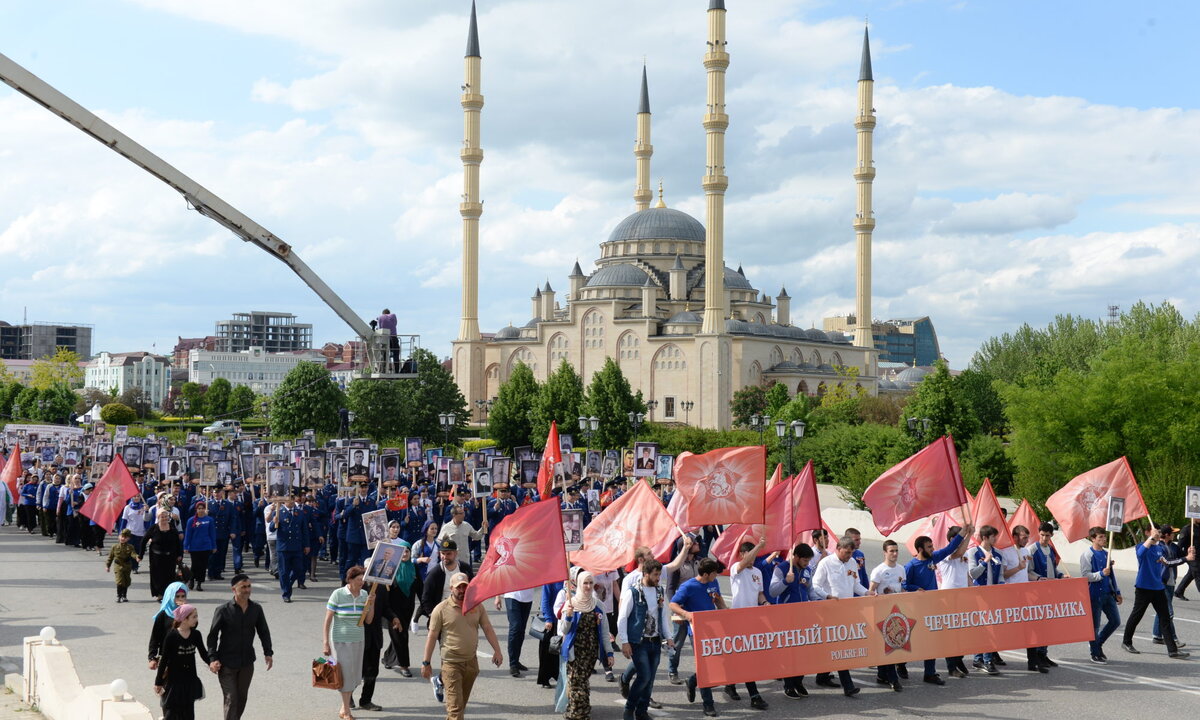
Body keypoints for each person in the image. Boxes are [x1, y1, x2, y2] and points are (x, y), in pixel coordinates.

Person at [422, 572, 503, 720]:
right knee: (455, 711)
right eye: (458, 587)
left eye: (464, 587)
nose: (462, 590)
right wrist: (426, 662)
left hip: (471, 664)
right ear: (451, 588)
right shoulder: (441, 609)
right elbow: (432, 636)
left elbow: (487, 628)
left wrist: (497, 651)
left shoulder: (477, 606)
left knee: (459, 708)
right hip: (451, 665)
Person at [903, 523, 971, 683]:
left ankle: (930, 673)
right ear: (920, 549)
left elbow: (950, 548)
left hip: (932, 607)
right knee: (910, 639)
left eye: (932, 546)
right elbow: (904, 585)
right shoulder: (910, 566)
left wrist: (964, 532)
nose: (932, 549)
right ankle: (900, 664)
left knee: (932, 640)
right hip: (916, 609)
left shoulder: (933, 558)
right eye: (929, 546)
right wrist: (916, 588)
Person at [206, 574, 274, 720]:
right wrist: (212, 659)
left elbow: (264, 632)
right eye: (243, 587)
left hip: (246, 662)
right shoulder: (223, 610)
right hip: (226, 663)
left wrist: (268, 652)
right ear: (233, 589)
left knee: (242, 698)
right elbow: (212, 636)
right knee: (232, 698)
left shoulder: (256, 609)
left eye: (249, 586)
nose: (247, 590)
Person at [1122, 525, 1192, 658]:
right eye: (1156, 532)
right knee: (1136, 616)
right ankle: (1126, 642)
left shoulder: (1159, 548)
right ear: (1148, 532)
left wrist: (1186, 558)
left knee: (1165, 618)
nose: (1158, 534)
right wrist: (1151, 538)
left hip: (1158, 588)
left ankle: (1173, 650)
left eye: (1159, 532)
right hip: (1143, 588)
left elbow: (1167, 562)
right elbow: (1140, 553)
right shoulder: (1141, 546)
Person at [811, 537, 867, 696]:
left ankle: (822, 676)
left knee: (833, 646)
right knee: (839, 647)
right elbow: (816, 585)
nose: (849, 556)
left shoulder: (852, 564)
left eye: (851, 553)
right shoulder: (826, 563)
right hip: (829, 612)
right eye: (847, 553)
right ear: (838, 548)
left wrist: (867, 592)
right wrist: (827, 596)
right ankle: (848, 686)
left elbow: (856, 585)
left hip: (847, 611)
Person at [618, 560, 670, 720]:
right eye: (655, 574)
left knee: (650, 679)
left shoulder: (660, 591)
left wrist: (668, 637)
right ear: (645, 574)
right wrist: (625, 641)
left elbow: (663, 616)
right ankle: (629, 709)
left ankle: (642, 712)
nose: (658, 577)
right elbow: (622, 618)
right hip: (638, 641)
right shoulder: (632, 592)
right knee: (644, 676)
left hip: (655, 640)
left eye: (659, 574)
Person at [558, 571, 614, 720]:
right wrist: (569, 616)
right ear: (579, 584)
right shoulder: (571, 604)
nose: (588, 586)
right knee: (578, 684)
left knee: (581, 682)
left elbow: (604, 631)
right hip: (574, 652)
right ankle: (579, 715)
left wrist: (609, 653)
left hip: (590, 653)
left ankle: (575, 710)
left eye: (590, 583)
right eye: (585, 583)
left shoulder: (598, 605)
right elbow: (563, 630)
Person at [323, 565, 376, 720]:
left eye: (363, 580)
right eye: (359, 580)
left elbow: (369, 620)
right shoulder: (338, 594)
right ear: (350, 579)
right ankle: (346, 711)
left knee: (354, 675)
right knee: (344, 674)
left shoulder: (365, 594)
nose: (361, 583)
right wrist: (325, 642)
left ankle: (343, 706)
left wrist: (371, 604)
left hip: (358, 640)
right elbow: (327, 620)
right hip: (340, 641)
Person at [727, 538, 770, 709]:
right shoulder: (736, 569)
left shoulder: (757, 572)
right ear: (743, 554)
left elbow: (759, 593)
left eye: (755, 554)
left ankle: (729, 684)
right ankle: (754, 695)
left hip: (752, 618)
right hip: (737, 618)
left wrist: (765, 602)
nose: (753, 558)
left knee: (741, 657)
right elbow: (744, 563)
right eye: (750, 554)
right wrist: (759, 546)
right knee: (744, 657)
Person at [770, 543, 816, 698]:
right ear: (796, 557)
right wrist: (786, 582)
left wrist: (822, 599)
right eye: (805, 560)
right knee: (789, 651)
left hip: (803, 615)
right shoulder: (782, 568)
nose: (807, 563)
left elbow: (810, 591)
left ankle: (798, 681)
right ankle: (788, 685)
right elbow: (772, 591)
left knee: (803, 651)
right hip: (786, 616)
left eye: (809, 561)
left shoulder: (808, 570)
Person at [154, 604, 214, 720]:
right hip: (174, 681)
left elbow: (203, 653)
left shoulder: (196, 635)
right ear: (184, 618)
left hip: (190, 680)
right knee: (171, 712)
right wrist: (158, 682)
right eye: (194, 617)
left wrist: (212, 663)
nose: (197, 619)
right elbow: (164, 660)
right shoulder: (171, 636)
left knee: (188, 713)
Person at [1080, 526, 1122, 663]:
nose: (1104, 539)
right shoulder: (1087, 555)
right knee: (1094, 625)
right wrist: (1100, 574)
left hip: (1108, 593)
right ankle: (1095, 652)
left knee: (1115, 621)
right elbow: (1085, 576)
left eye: (1104, 537)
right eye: (1100, 537)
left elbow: (1111, 575)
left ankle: (1098, 643)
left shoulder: (1106, 553)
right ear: (1093, 539)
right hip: (1094, 595)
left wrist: (1117, 591)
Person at [869, 539, 907, 691]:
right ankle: (893, 678)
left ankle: (882, 674)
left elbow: (902, 588)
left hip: (897, 612)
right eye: (891, 551)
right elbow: (871, 592)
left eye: (896, 550)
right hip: (883, 613)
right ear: (885, 552)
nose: (895, 553)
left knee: (894, 644)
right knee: (888, 644)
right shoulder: (878, 570)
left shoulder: (901, 569)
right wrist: (882, 593)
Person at [968, 525, 1006, 674]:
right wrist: (984, 562)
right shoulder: (973, 552)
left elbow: (1001, 574)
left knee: (991, 627)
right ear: (985, 538)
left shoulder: (998, 554)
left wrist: (1002, 585)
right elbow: (973, 574)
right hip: (979, 595)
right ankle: (985, 660)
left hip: (993, 594)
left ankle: (981, 658)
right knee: (984, 628)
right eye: (993, 537)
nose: (995, 539)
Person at [382, 539, 421, 677]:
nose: (405, 553)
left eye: (407, 551)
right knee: (401, 636)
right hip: (392, 609)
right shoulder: (390, 568)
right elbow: (383, 589)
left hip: (408, 608)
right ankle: (404, 665)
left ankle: (388, 658)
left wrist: (425, 606)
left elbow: (420, 587)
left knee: (400, 634)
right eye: (402, 551)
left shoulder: (413, 568)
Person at [420, 539, 474, 621]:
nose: (445, 557)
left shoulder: (465, 569)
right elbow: (426, 598)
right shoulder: (434, 574)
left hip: (463, 613)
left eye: (449, 554)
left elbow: (474, 589)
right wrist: (432, 615)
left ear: (455, 553)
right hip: (442, 615)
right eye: (443, 553)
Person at [1152, 526, 1187, 647]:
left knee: (1162, 610)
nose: (1173, 535)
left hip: (1171, 582)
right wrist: (1185, 558)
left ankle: (1157, 635)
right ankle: (1174, 639)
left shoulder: (1173, 546)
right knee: (1168, 612)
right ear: (1166, 534)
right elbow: (1168, 563)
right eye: (1172, 533)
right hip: (1162, 582)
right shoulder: (1158, 547)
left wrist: (1190, 551)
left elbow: (1182, 557)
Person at [272, 495, 310, 603]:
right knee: (284, 571)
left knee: (298, 569)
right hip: (283, 547)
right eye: (289, 499)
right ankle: (286, 593)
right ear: (284, 501)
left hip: (296, 546)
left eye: (293, 499)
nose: (292, 501)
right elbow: (272, 529)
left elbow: (304, 530)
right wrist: (274, 521)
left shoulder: (300, 512)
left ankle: (287, 584)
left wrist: (307, 545)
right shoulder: (279, 512)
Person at [149, 582, 190, 669]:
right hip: (166, 656)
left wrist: (184, 613)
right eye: (177, 596)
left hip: (184, 656)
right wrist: (152, 657)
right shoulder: (163, 615)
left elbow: (193, 629)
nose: (180, 599)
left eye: (183, 596)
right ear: (170, 596)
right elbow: (155, 637)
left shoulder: (188, 613)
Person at [145, 510, 183, 600]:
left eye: (166, 517)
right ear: (158, 518)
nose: (164, 518)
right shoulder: (154, 528)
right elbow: (144, 540)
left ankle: (169, 594)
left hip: (170, 557)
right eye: (162, 517)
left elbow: (177, 542)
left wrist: (179, 554)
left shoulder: (172, 528)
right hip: (156, 557)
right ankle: (160, 594)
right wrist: (140, 555)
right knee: (158, 576)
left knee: (169, 576)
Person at [182, 501, 216, 592]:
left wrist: (214, 546)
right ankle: (192, 580)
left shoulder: (209, 520)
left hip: (206, 546)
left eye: (202, 508)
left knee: (203, 566)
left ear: (205, 509)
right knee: (195, 565)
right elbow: (188, 534)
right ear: (196, 510)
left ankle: (199, 582)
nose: (201, 510)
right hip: (195, 547)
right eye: (199, 509)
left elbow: (212, 534)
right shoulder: (191, 520)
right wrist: (186, 546)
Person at [106, 528, 139, 603]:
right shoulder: (114, 547)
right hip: (118, 566)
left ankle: (124, 596)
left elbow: (133, 554)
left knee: (126, 581)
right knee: (119, 581)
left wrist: (137, 557)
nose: (123, 538)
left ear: (128, 538)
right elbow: (110, 557)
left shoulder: (130, 547)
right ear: (119, 537)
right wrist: (108, 566)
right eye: (122, 536)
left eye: (125, 537)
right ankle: (119, 596)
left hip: (127, 566)